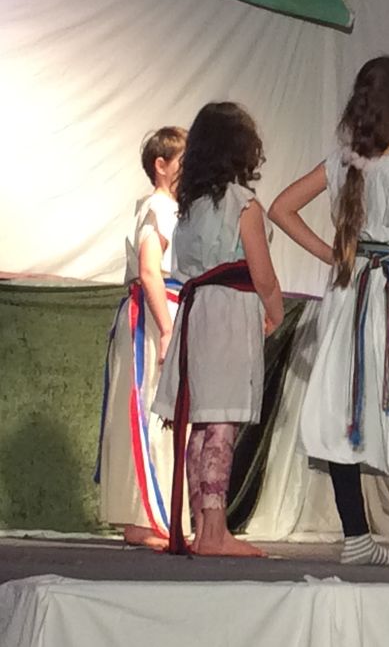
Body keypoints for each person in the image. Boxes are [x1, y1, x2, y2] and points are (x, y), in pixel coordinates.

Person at [269, 55, 389, 568]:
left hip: (349, 294)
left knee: (343, 407)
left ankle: (357, 536)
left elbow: (281, 207)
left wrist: (337, 255)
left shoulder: (343, 161)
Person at [153, 102, 283, 557]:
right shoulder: (242, 204)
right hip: (227, 315)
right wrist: (275, 312)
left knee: (202, 419)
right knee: (222, 420)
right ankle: (214, 531)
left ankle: (201, 525)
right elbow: (263, 275)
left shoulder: (189, 209)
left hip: (197, 314)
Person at [98, 126, 188, 549]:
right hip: (152, 317)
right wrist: (166, 329)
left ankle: (163, 516)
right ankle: (143, 519)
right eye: (183, 161)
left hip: (167, 309)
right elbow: (151, 269)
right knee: (149, 412)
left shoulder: (174, 210)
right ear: (161, 165)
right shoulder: (158, 207)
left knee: (167, 417)